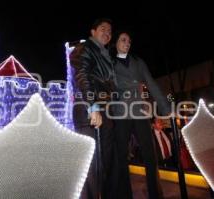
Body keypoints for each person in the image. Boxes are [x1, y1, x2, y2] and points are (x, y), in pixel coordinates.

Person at [110, 30, 171, 199]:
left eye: (129, 41)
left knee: (150, 156)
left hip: (139, 112)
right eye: (123, 40)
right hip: (120, 113)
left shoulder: (138, 62)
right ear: (116, 43)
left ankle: (155, 194)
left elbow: (150, 83)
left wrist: (165, 108)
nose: (127, 43)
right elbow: (109, 86)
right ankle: (124, 195)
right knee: (121, 157)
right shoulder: (109, 63)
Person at [69, 18, 116, 199]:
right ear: (93, 32)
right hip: (89, 108)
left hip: (103, 109)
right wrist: (92, 106)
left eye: (110, 31)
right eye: (103, 29)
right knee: (91, 163)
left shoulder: (104, 54)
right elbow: (82, 75)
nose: (107, 33)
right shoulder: (85, 48)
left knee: (102, 163)